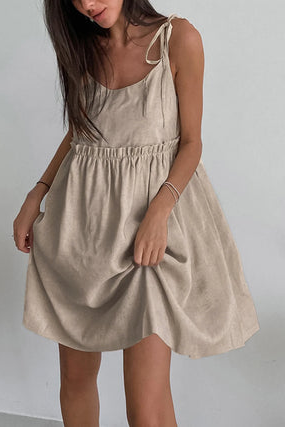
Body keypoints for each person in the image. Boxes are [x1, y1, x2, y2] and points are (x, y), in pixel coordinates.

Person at [13, 1, 260, 425]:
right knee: (75, 381)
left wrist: (159, 211)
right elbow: (80, 132)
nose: (87, 4)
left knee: (145, 407)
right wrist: (37, 192)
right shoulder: (82, 47)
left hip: (148, 236)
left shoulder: (178, 38)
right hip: (81, 227)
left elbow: (191, 142)